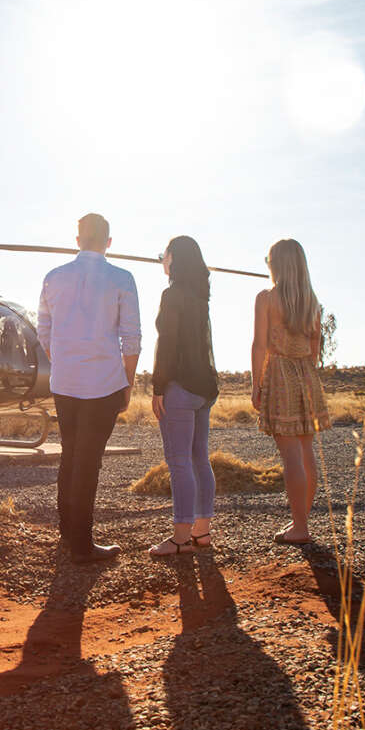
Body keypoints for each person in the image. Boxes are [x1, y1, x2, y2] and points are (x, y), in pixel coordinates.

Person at [37, 213, 141, 563]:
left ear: (78, 239)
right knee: (87, 461)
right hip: (104, 383)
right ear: (108, 242)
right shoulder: (122, 279)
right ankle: (81, 544)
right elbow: (132, 338)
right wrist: (127, 382)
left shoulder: (53, 278)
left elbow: (43, 331)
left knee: (71, 454)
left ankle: (68, 532)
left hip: (64, 384)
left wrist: (65, 360)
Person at [252, 238, 330, 545]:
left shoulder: (266, 298)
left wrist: (256, 384)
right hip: (306, 374)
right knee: (305, 451)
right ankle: (301, 520)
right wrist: (305, 373)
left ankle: (300, 527)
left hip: (281, 372)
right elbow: (315, 347)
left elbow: (259, 344)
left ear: (277, 264)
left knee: (291, 456)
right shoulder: (311, 300)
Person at [150, 236, 219, 558]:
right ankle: (201, 532)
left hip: (179, 387)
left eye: (163, 254)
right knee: (198, 459)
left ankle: (179, 537)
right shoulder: (199, 296)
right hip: (204, 388)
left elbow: (167, 344)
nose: (162, 260)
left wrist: (158, 387)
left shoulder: (172, 295)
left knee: (179, 462)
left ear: (174, 257)